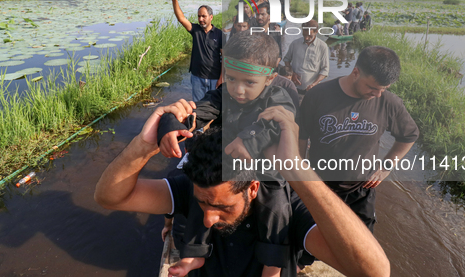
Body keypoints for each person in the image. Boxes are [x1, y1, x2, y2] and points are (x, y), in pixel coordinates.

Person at [94, 101, 391, 277]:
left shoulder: (290, 210)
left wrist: (297, 170)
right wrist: (143, 147)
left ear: (252, 189)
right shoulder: (189, 187)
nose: (208, 218)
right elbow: (109, 197)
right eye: (203, 204)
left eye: (222, 207)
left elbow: (374, 271)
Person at [156, 32, 296, 277]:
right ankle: (193, 255)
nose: (238, 90)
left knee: (279, 209)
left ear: (270, 78)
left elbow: (275, 123)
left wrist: (248, 139)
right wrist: (172, 126)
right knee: (202, 193)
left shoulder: (279, 97)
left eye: (249, 82)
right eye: (231, 78)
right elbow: (195, 112)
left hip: (264, 174)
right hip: (228, 171)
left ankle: (272, 269)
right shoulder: (223, 95)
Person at [296, 46, 419, 232]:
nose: (377, 94)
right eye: (372, 87)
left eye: (383, 89)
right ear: (355, 72)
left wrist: (386, 167)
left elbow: (409, 136)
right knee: (310, 237)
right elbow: (301, 136)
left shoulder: (388, 103)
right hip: (320, 184)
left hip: (361, 190)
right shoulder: (317, 95)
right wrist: (301, 174)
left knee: (361, 245)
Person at [170, 0, 223, 101]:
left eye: (204, 16)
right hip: (197, 77)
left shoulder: (219, 34)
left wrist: (221, 77)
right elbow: (181, 18)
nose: (200, 19)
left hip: (214, 78)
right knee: (198, 107)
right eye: (199, 16)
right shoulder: (195, 30)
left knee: (213, 107)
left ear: (211, 17)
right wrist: (174, 0)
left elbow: (225, 57)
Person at [283, 19, 329, 98]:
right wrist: (292, 73)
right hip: (294, 87)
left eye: (309, 35)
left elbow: (325, 70)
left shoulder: (322, 47)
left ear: (316, 32)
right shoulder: (295, 43)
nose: (306, 38)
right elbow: (287, 60)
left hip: (312, 90)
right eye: (304, 35)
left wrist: (314, 84)